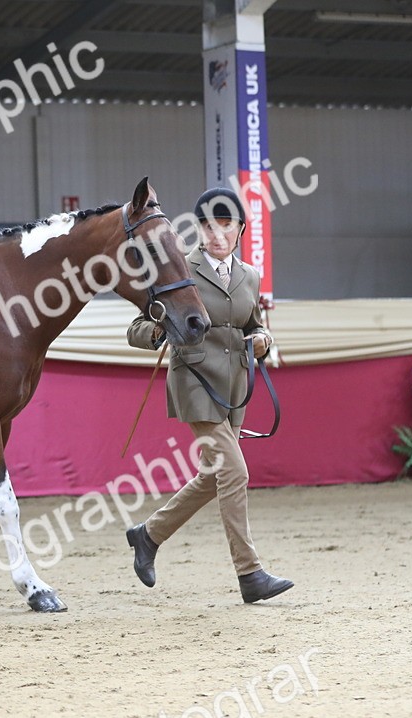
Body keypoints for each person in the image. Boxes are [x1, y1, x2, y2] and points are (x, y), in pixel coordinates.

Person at [125, 187, 293, 603]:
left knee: (213, 476)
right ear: (198, 229)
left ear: (240, 230)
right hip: (195, 382)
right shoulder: (180, 268)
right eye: (208, 226)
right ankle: (250, 574)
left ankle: (148, 535)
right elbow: (136, 328)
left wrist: (263, 340)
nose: (217, 234)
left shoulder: (250, 276)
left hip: (235, 387)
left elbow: (254, 325)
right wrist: (158, 331)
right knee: (236, 473)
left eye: (226, 225)